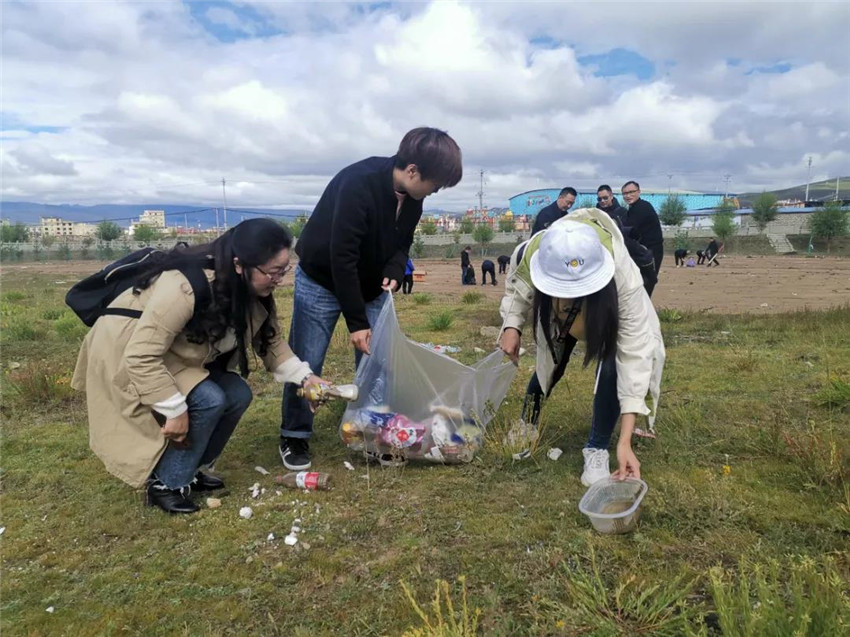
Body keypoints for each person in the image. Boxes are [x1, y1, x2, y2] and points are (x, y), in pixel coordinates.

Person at [71, 219, 329, 514]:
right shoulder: (184, 287)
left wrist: (306, 378)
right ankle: (166, 484)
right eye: (273, 272)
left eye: (284, 270)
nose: (279, 280)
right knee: (209, 399)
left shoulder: (249, 290)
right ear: (239, 264)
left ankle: (190, 469)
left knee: (238, 394)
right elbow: (141, 356)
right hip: (126, 352)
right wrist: (174, 410)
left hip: (173, 353)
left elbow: (271, 344)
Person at [281, 127, 463, 470]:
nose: (434, 192)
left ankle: (372, 430)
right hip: (321, 278)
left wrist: (395, 267)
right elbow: (342, 257)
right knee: (307, 358)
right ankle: (294, 433)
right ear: (413, 171)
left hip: (370, 285)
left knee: (377, 360)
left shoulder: (413, 197)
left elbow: (402, 241)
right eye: (435, 185)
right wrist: (357, 322)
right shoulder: (357, 183)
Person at [498, 209, 665, 486]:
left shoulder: (624, 277)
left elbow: (634, 358)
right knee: (550, 362)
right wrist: (511, 326)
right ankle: (527, 423)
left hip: (604, 313)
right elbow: (518, 289)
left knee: (613, 366)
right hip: (560, 316)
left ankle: (597, 447)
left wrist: (624, 441)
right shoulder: (534, 251)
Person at [620, 181, 664, 274]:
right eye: (625, 193)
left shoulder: (643, 207)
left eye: (631, 192)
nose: (628, 196)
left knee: (646, 280)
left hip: (650, 251)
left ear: (639, 192)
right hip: (642, 251)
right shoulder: (633, 208)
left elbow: (631, 230)